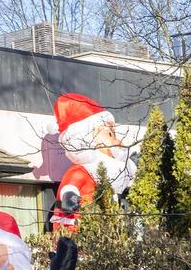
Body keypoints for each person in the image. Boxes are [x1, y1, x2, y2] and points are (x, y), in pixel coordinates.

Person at [50, 93, 137, 230]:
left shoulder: (105, 175)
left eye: (114, 134)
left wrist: (132, 164)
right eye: (110, 134)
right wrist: (70, 198)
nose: (116, 141)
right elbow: (70, 188)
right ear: (87, 138)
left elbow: (119, 179)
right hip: (78, 229)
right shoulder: (80, 172)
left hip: (103, 230)